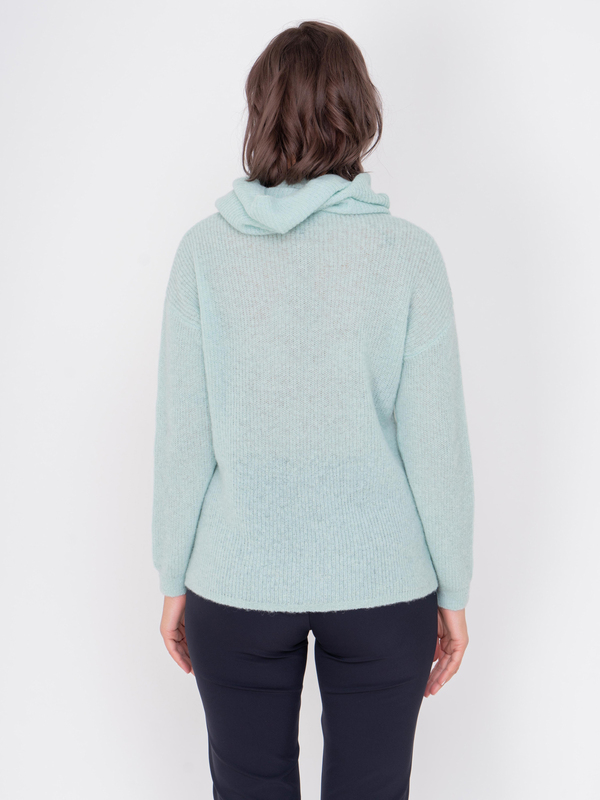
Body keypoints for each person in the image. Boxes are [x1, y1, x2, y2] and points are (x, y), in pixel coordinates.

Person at [151, 19, 474, 800]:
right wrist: (455, 592)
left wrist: (173, 577)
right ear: (361, 115)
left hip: (236, 580)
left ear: (259, 116)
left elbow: (182, 436)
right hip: (384, 583)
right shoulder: (409, 255)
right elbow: (437, 444)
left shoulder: (204, 253)